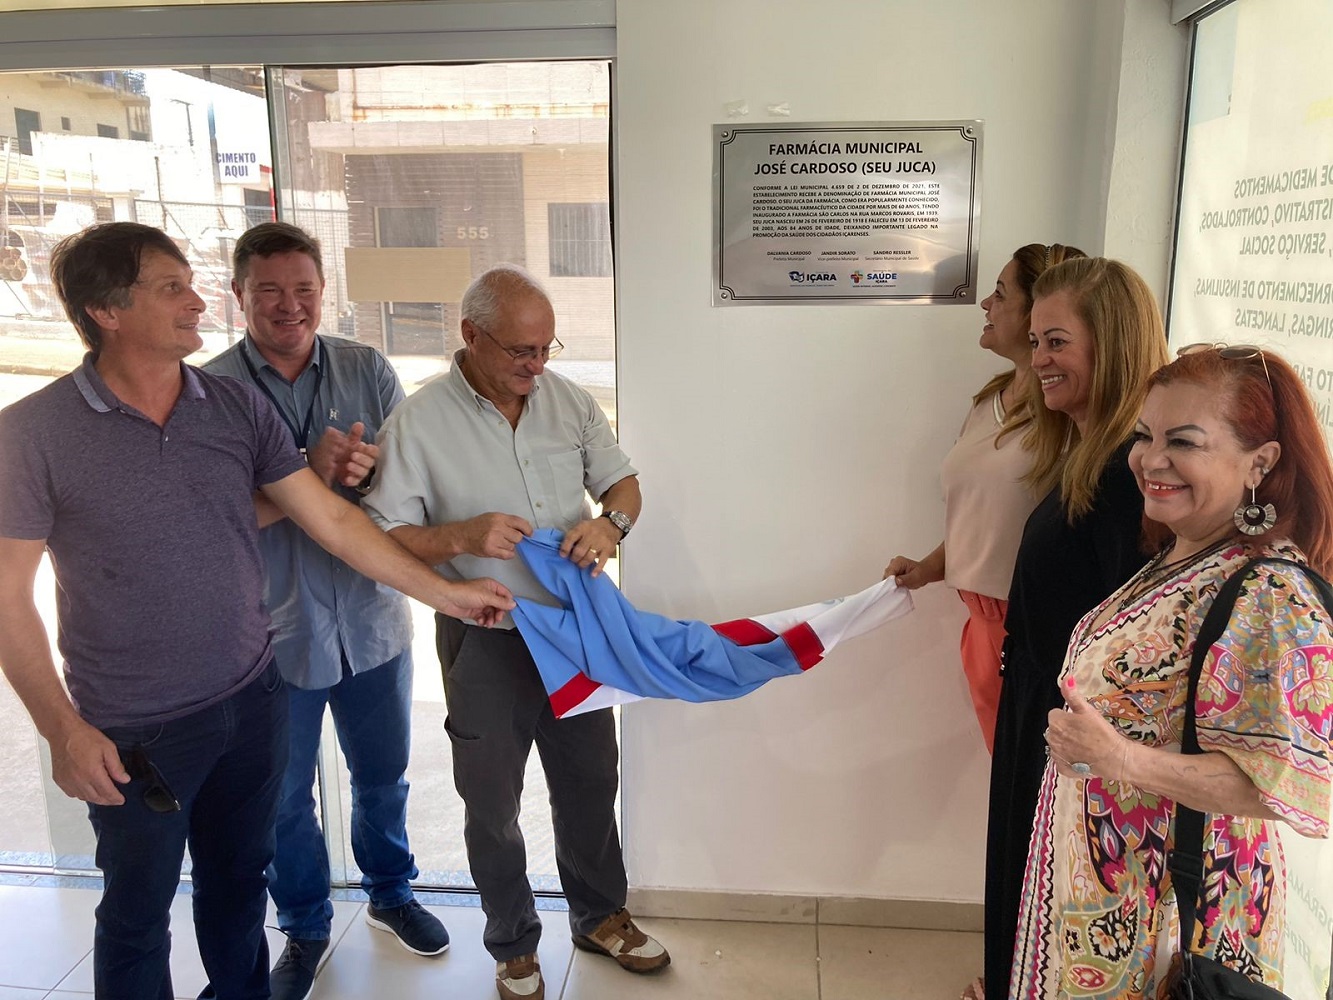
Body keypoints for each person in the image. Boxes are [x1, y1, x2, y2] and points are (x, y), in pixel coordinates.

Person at [0, 223, 513, 1000]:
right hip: (134, 727)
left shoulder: (232, 406)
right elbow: (8, 595)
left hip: (251, 696)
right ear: (107, 311)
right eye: (172, 288)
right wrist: (62, 729)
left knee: (238, 889)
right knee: (137, 917)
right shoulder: (33, 434)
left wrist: (449, 595)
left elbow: (332, 519)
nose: (197, 300)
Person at [363, 264, 670, 1000]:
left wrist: (610, 524)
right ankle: (513, 944)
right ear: (470, 335)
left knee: (590, 783)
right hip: (485, 636)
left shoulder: (567, 401)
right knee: (492, 802)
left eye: (545, 349)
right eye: (520, 351)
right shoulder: (418, 421)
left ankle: (600, 917)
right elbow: (382, 535)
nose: (536, 366)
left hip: (575, 633)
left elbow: (622, 483)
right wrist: (460, 536)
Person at [1014, 346, 1333, 998]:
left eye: (1182, 442)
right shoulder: (1182, 551)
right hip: (1112, 899)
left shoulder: (1269, 591)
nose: (1149, 460)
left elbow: (1290, 784)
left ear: (1260, 462)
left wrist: (1121, 759)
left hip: (1176, 919)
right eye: (1143, 436)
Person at [204, 222, 446, 1000]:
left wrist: (368, 475)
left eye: (303, 289)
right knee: (281, 800)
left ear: (322, 291)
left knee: (383, 778)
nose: (289, 305)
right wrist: (306, 477)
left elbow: (410, 488)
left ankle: (391, 894)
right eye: (269, 291)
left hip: (372, 622)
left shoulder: (366, 367)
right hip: (270, 637)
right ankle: (304, 927)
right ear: (238, 295)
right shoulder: (210, 389)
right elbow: (210, 520)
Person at [978, 257, 1169, 1000]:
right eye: (1034, 342)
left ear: (1111, 346)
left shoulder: (1127, 476)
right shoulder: (1089, 454)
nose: (1038, 360)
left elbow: (1135, 643)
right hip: (1044, 715)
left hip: (1073, 736)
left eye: (1056, 342)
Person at [885, 242, 1085, 753]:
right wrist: (929, 567)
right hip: (980, 625)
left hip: (1034, 629)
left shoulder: (1067, 416)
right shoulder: (988, 401)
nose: (986, 304)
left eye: (1000, 293)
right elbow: (985, 517)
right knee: (1008, 775)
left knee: (1038, 780)